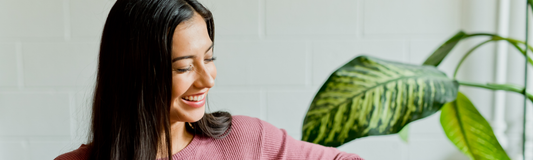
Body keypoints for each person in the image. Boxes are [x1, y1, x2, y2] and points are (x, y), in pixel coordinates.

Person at [55, 0, 364, 159]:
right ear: (134, 75)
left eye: (209, 58)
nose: (207, 80)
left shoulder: (248, 140)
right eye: (183, 67)